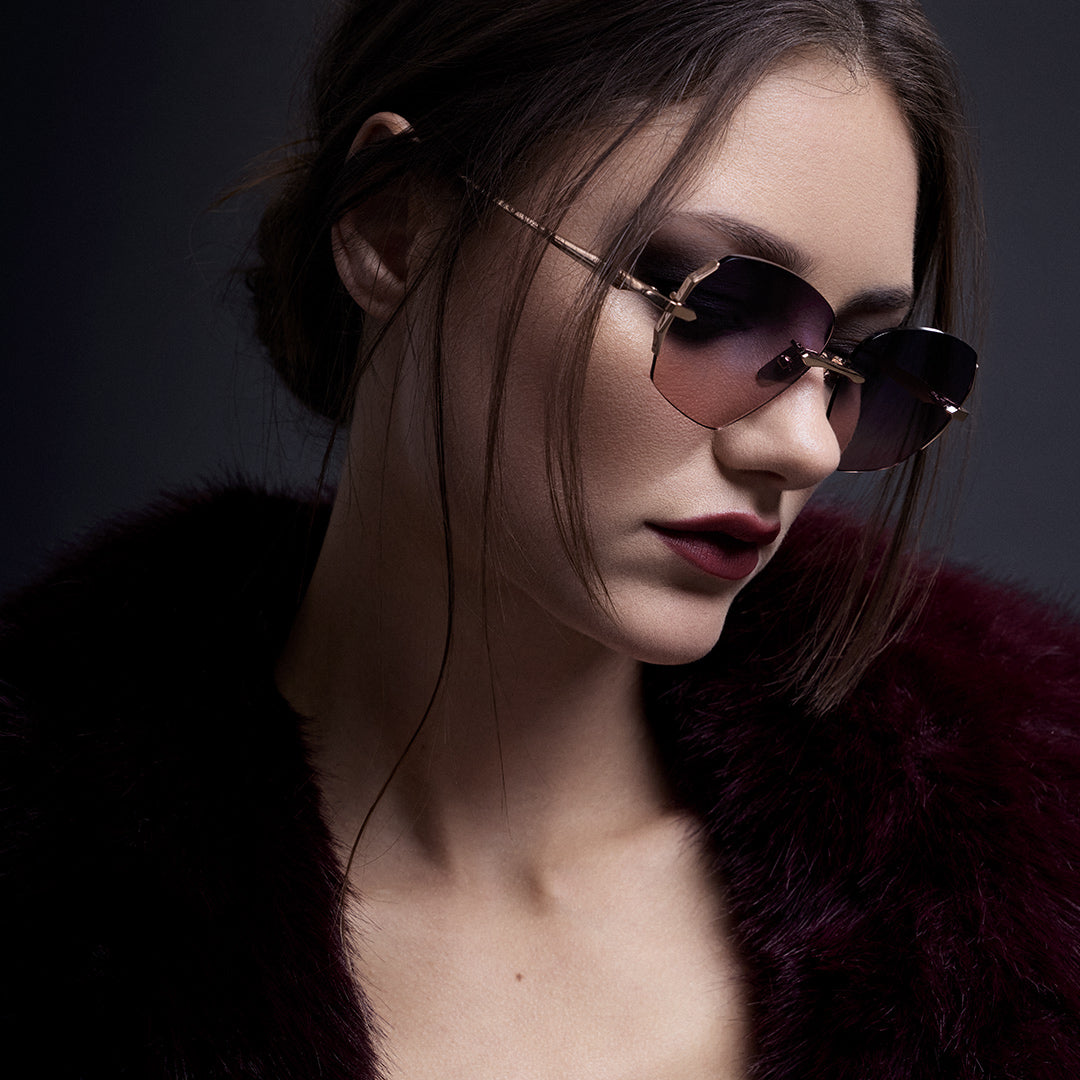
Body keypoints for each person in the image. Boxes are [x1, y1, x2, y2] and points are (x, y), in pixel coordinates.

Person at [3, 1, 1079, 1077]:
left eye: (869, 364)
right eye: (716, 306)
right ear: (394, 225)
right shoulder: (55, 873)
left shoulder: (1034, 862)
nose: (805, 447)